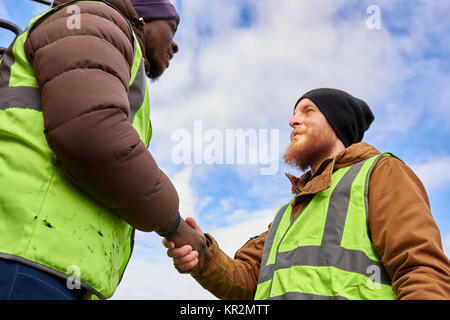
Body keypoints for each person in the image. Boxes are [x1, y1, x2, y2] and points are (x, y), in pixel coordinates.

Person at [0, 0, 207, 300]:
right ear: (141, 15)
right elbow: (92, 134)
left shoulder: (105, 39)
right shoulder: (96, 18)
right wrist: (173, 225)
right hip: (25, 264)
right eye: (172, 28)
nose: (175, 46)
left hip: (42, 267)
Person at [164, 88, 450, 300]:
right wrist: (204, 258)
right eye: (293, 113)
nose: (292, 121)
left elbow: (420, 269)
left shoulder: (380, 173)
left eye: (308, 111)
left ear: (337, 124)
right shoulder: (286, 214)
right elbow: (250, 282)